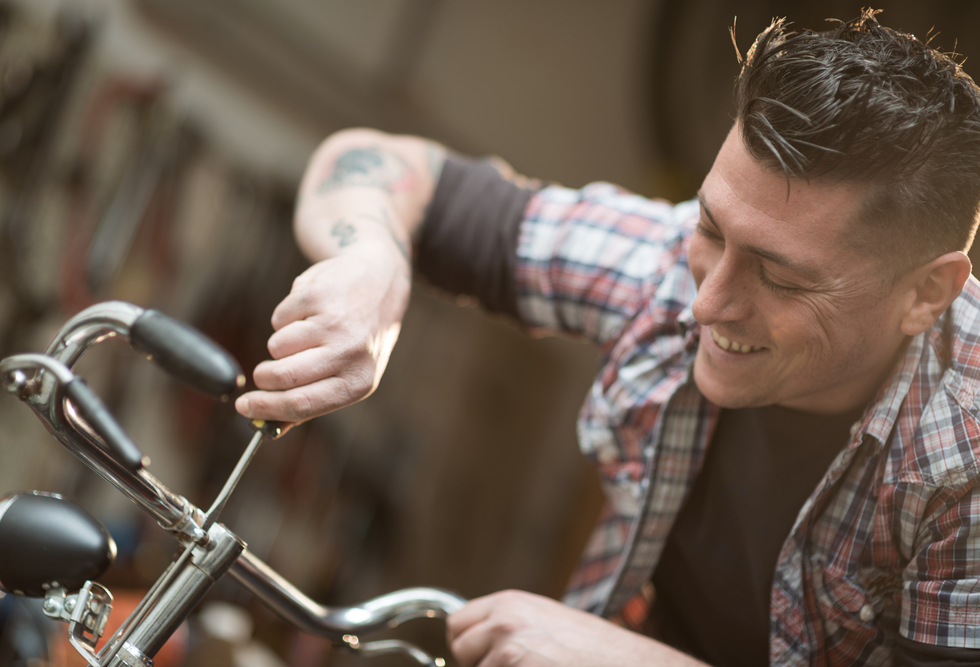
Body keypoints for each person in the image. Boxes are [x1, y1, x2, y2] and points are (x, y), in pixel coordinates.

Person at [235, 9, 980, 666]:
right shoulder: (664, 269)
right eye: (709, 228)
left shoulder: (965, 456)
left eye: (780, 279)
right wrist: (371, 260)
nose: (708, 302)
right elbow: (378, 164)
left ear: (925, 293)